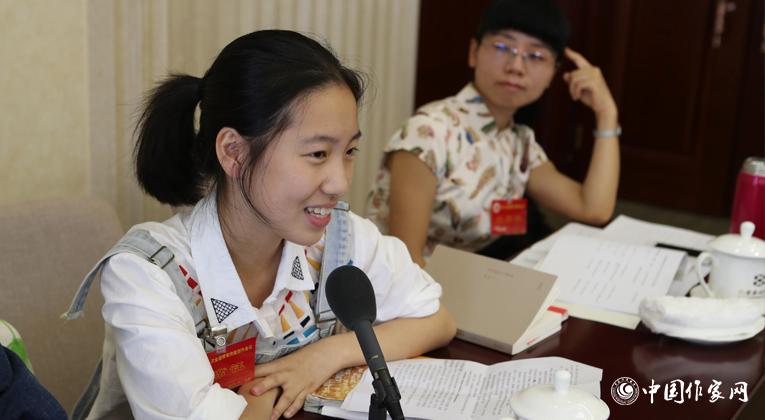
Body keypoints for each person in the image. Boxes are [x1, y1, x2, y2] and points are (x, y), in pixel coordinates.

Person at [65, 30, 455, 420]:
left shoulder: (339, 238)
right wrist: (265, 391)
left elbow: (435, 319)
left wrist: (323, 356)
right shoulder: (147, 274)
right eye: (318, 154)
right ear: (234, 152)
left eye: (349, 151)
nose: (340, 182)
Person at [366, 0, 620, 267]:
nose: (516, 66)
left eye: (536, 56)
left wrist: (607, 113)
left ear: (552, 74)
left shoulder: (518, 143)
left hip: (456, 279)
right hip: (393, 283)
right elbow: (405, 263)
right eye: (502, 47)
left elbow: (593, 208)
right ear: (474, 52)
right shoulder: (429, 131)